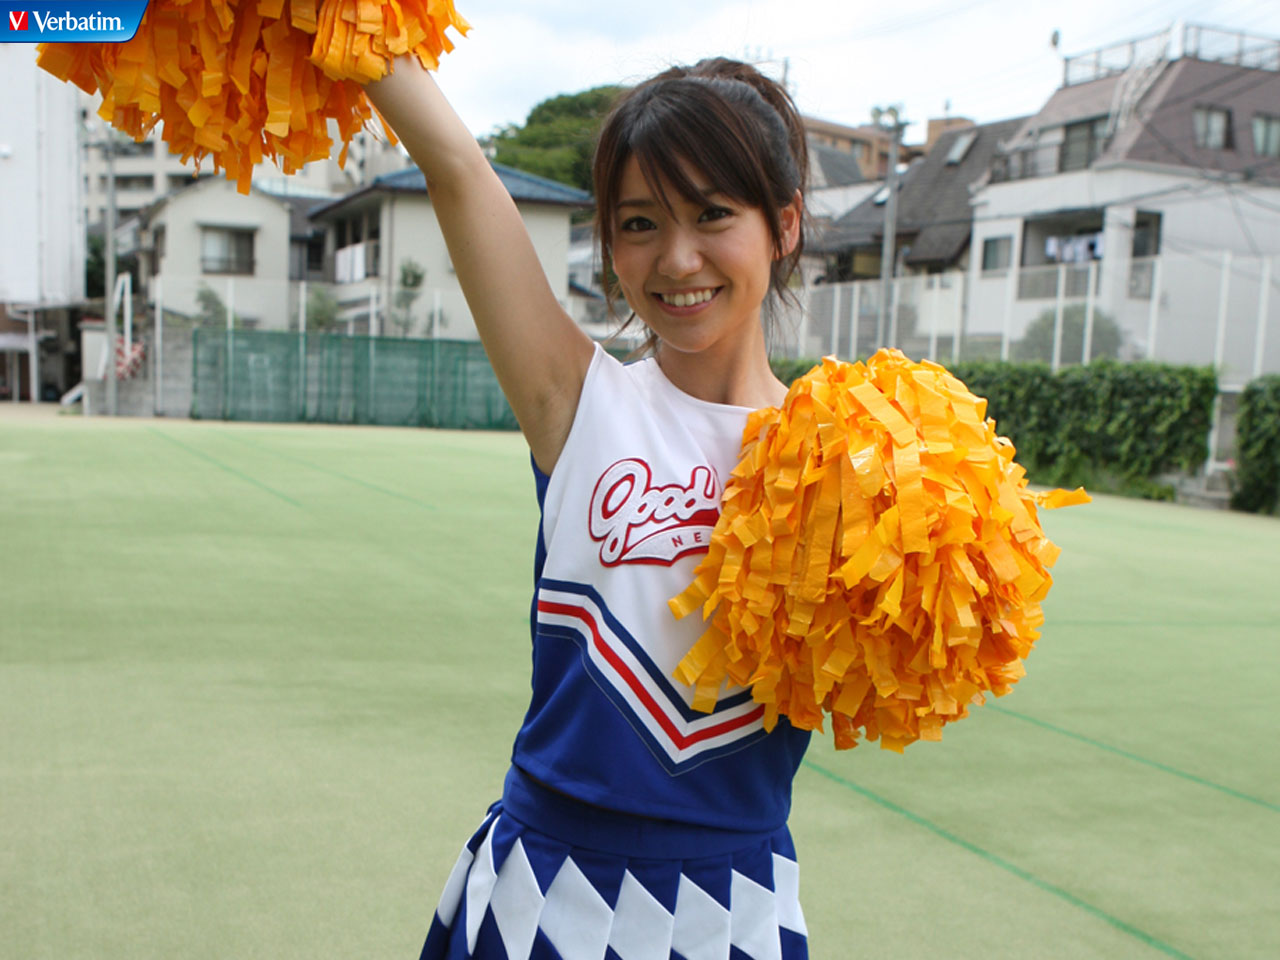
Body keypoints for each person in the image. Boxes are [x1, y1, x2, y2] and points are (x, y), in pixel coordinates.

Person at [367, 54, 814, 960]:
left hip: (734, 902)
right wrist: (356, 32)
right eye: (639, 223)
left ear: (784, 225)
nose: (677, 259)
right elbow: (456, 168)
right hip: (547, 889)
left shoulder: (845, 451)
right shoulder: (579, 402)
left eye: (713, 214)